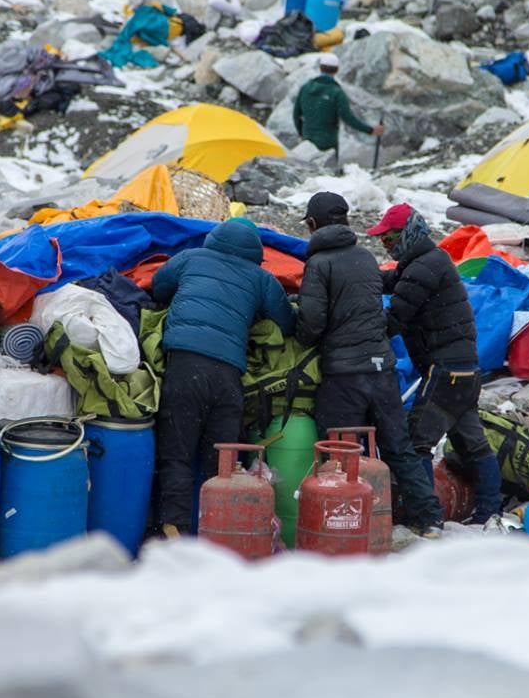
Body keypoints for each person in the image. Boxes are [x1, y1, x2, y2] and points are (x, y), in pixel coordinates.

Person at [295, 192, 443, 536]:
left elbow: (312, 325)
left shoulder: (319, 265)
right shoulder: (365, 257)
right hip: (382, 369)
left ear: (313, 225)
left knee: (337, 451)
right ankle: (429, 518)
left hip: (344, 373)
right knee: (397, 444)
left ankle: (341, 522)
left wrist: (298, 326)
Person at [149, 218, 295, 535]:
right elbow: (286, 321)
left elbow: (159, 286)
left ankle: (174, 528)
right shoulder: (261, 278)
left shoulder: (190, 257)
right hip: (228, 376)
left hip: (184, 369)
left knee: (177, 454)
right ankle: (220, 530)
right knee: (223, 462)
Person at [369, 203, 501, 524]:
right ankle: (489, 513)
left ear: (410, 233)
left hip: (445, 372)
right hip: (465, 371)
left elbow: (393, 320)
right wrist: (359, 273)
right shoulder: (427, 262)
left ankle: (424, 518)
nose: (387, 245)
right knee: (474, 445)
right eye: (383, 241)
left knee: (417, 445)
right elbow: (390, 280)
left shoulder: (421, 269)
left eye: (390, 239)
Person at [292, 54, 383, 165]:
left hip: (307, 141)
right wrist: (371, 130)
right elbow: (348, 118)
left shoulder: (305, 88)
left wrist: (302, 133)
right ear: (337, 70)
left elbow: (296, 114)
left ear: (320, 67)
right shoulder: (336, 92)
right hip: (328, 143)